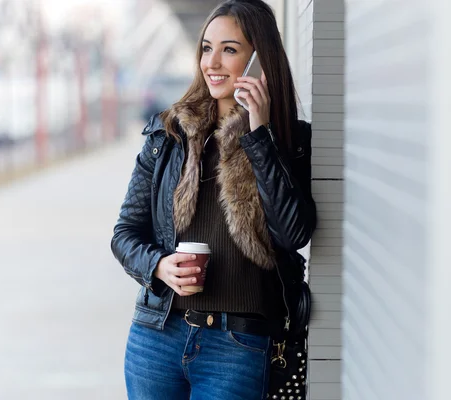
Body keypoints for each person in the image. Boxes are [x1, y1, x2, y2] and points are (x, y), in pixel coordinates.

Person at [111, 0, 317, 398]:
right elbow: (125, 234)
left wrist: (258, 136)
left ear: (260, 59)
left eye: (230, 49)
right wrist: (158, 266)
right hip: (157, 337)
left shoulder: (291, 141)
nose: (213, 63)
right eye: (207, 48)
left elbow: (293, 233)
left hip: (237, 346)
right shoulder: (169, 134)